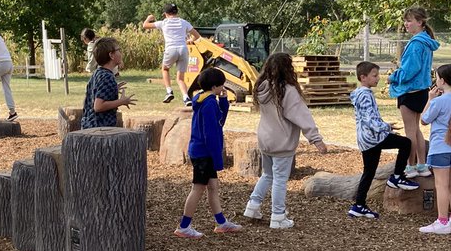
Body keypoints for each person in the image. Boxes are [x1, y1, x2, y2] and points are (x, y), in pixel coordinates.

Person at [243, 52, 328, 229]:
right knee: (280, 179)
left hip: (265, 140)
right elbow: (302, 116)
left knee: (267, 175)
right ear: (288, 69)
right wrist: (316, 139)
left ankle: (252, 206)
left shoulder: (262, 87)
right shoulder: (287, 91)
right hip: (281, 142)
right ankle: (278, 216)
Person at [174, 66, 242, 237]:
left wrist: (224, 102)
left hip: (201, 152)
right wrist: (217, 159)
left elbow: (219, 122)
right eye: (221, 85)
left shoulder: (203, 99)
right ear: (214, 87)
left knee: (213, 187)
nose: (223, 88)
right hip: (204, 153)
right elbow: (211, 133)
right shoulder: (210, 103)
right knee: (198, 188)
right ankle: (183, 226)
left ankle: (221, 222)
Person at [348, 61, 419, 218]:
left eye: (377, 75)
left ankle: (359, 205)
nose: (378, 78)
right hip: (373, 138)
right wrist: (385, 127)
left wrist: (386, 126)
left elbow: (369, 118)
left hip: (367, 138)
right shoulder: (365, 95)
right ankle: (397, 177)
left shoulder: (360, 93)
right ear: (363, 77)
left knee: (369, 172)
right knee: (406, 143)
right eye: (374, 75)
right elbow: (369, 120)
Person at [387, 6, 439, 177]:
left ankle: (411, 167)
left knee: (410, 131)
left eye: (409, 21)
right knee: (416, 130)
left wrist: (393, 77)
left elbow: (410, 70)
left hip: (409, 92)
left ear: (420, 22)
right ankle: (422, 165)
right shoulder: (425, 41)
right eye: (405, 20)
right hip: (421, 91)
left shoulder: (416, 44)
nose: (406, 24)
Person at [418, 63, 451, 235]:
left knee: (441, 185)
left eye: (437, 77)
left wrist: (429, 99)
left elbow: (424, 120)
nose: (435, 80)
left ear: (442, 80)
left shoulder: (438, 102)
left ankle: (442, 221)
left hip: (441, 147)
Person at [143, 4, 201, 105]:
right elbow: (197, 35)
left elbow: (145, 25)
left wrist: (149, 18)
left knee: (165, 69)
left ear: (165, 14)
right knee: (180, 78)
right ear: (176, 12)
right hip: (183, 49)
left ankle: (169, 91)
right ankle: (186, 97)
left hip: (171, 49)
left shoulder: (164, 23)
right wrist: (190, 40)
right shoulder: (184, 22)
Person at [81, 37, 136, 129]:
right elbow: (98, 106)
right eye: (119, 50)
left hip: (90, 126)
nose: (121, 53)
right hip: (99, 130)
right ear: (111, 55)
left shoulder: (98, 73)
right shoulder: (107, 76)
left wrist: (113, 88)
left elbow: (96, 92)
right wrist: (121, 101)